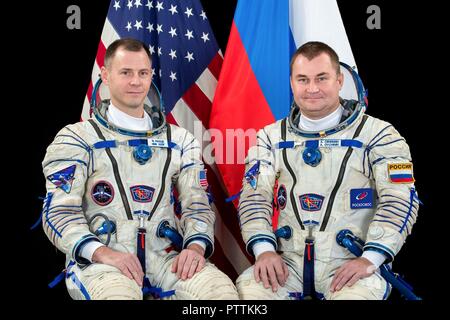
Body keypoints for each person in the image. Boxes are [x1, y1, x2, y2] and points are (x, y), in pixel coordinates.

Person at [41, 38, 238, 300]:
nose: (136, 81)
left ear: (151, 75)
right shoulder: (77, 139)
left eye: (143, 73)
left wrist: (195, 246)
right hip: (102, 261)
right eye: (126, 73)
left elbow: (197, 204)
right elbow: (59, 211)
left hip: (167, 258)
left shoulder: (180, 141)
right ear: (106, 75)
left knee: (220, 293)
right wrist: (100, 252)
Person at [235, 41, 419, 300]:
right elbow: (254, 198)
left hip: (351, 264)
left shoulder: (379, 135)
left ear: (340, 80)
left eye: (322, 78)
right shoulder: (270, 137)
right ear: (291, 82)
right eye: (303, 79)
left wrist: (371, 258)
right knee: (245, 295)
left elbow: (400, 201)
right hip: (288, 265)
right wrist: (264, 250)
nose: (312, 89)